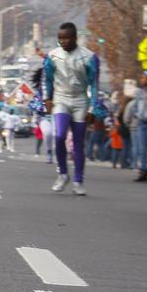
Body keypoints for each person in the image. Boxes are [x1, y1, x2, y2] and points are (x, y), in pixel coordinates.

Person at [43, 22, 98, 196]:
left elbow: (94, 84)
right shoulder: (52, 56)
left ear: (75, 38)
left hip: (81, 100)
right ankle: (63, 174)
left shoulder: (89, 57)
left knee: (78, 144)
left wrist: (93, 108)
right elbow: (48, 79)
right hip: (61, 98)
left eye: (66, 38)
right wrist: (47, 98)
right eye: (60, 38)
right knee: (59, 136)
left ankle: (78, 181)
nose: (63, 41)